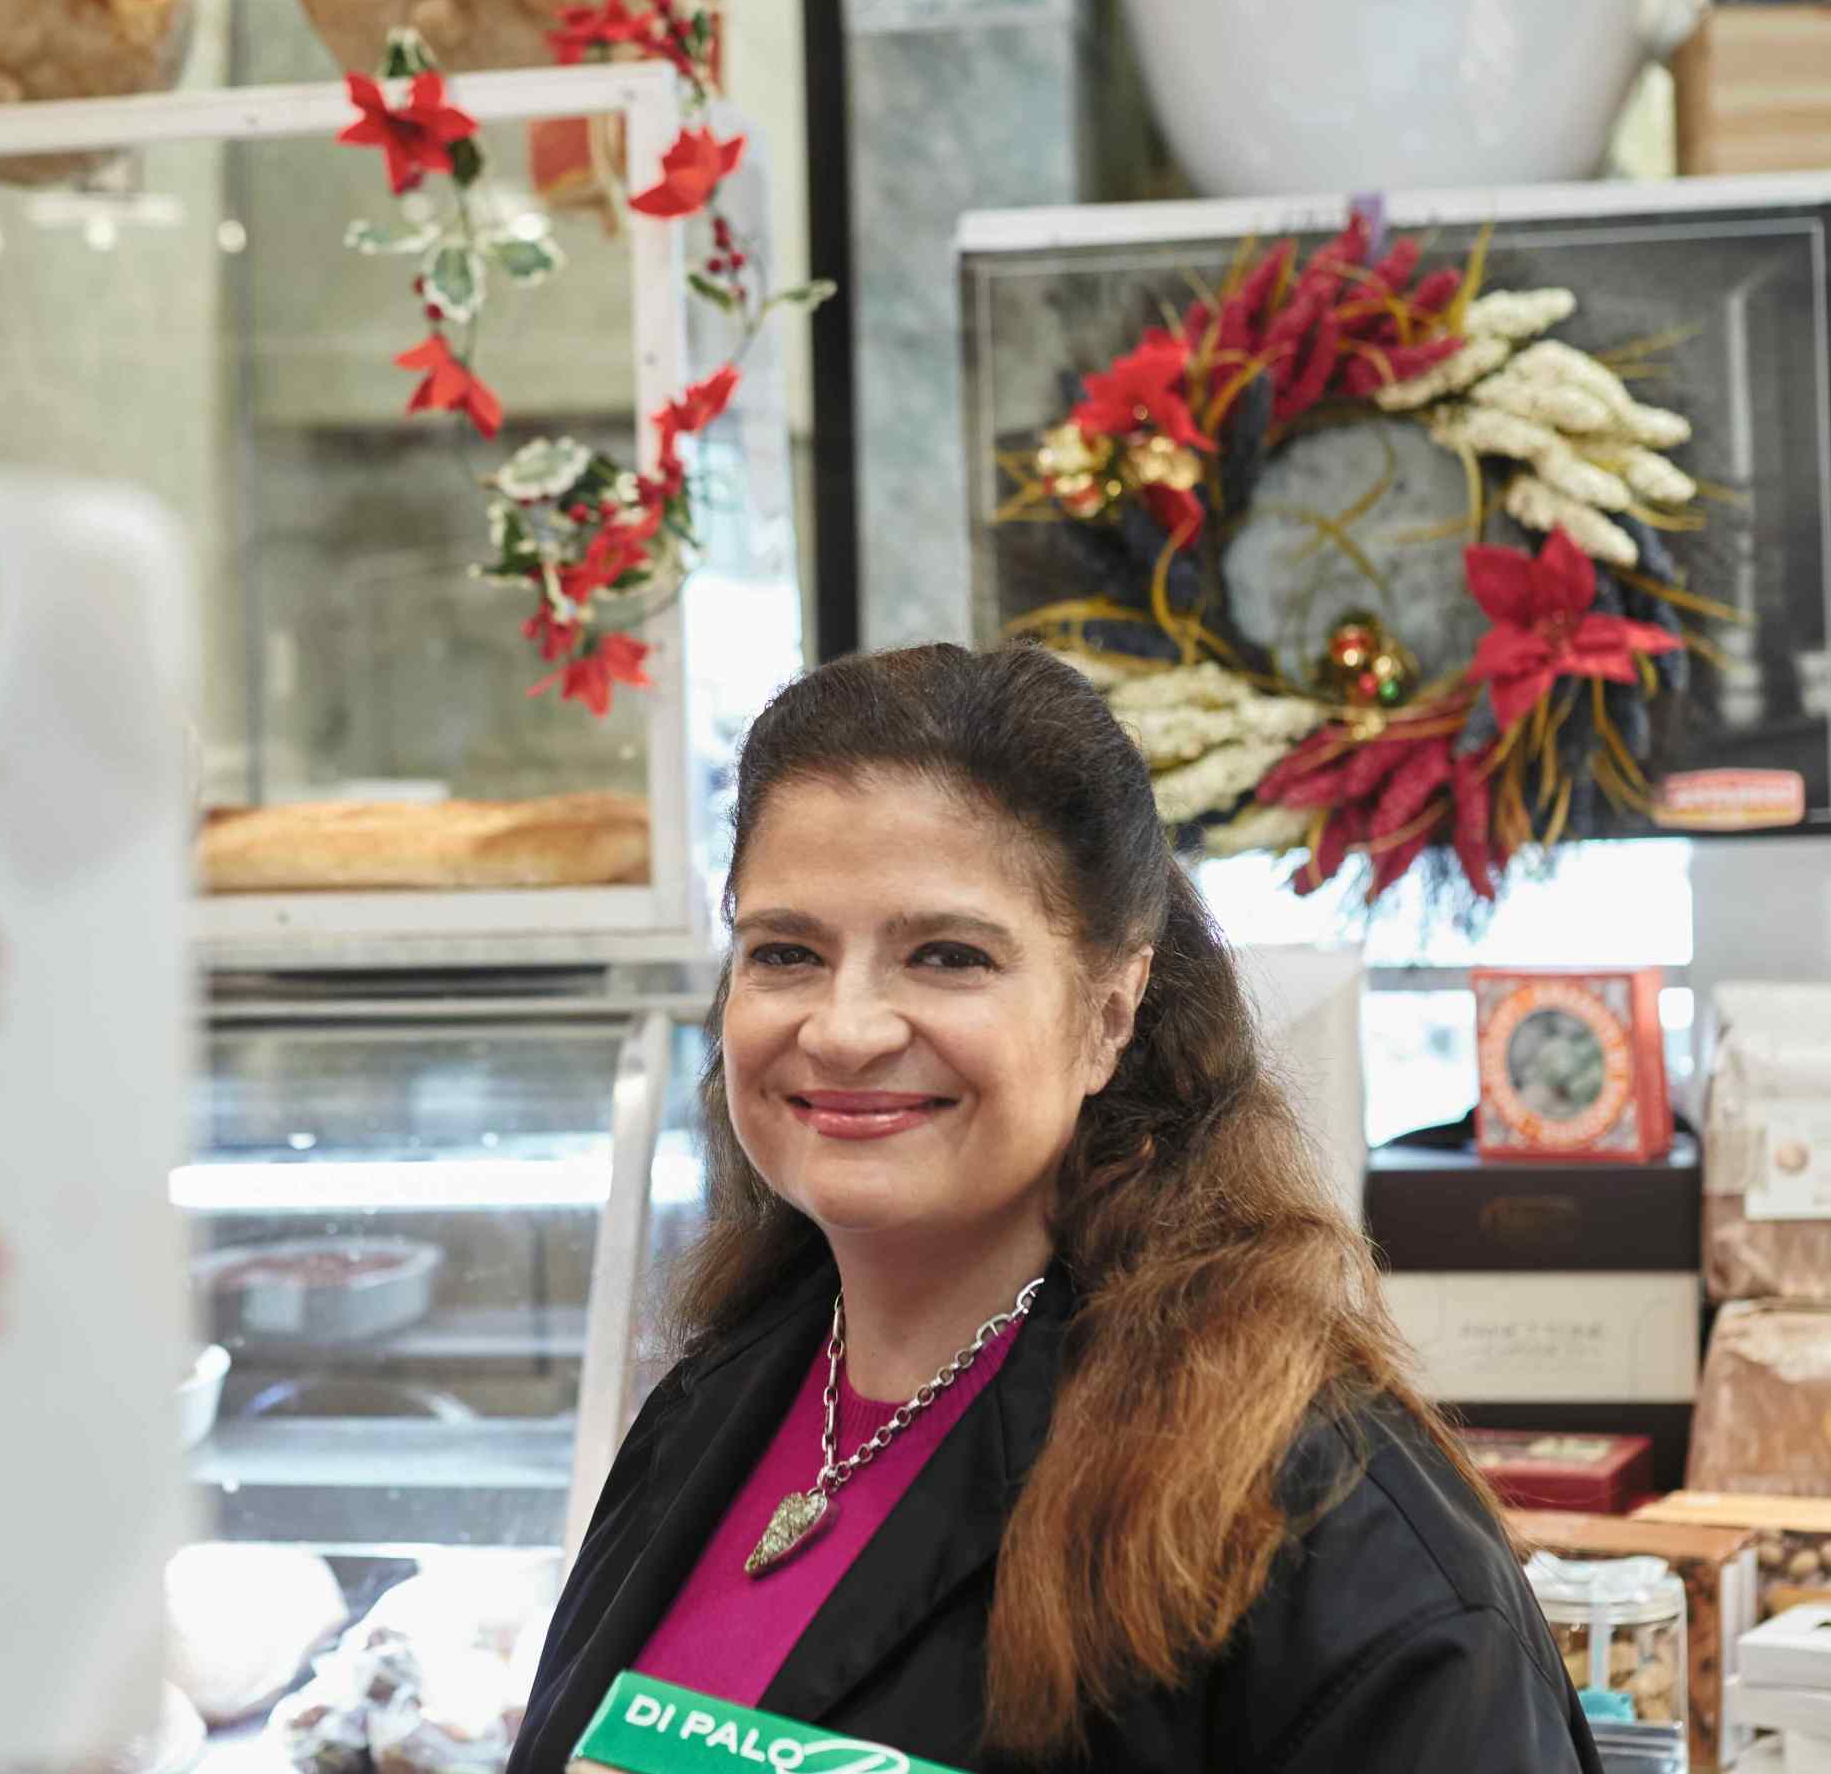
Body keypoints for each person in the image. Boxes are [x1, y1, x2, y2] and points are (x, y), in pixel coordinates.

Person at [504, 644, 1596, 1773]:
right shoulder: (712, 1407)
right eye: (786, 951)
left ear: (1110, 1012)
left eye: (947, 956)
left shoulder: (1323, 1535)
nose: (845, 1028)